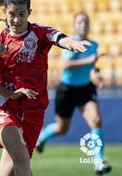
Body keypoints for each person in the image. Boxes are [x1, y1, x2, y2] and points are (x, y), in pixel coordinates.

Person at [0, 0, 91, 176]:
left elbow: (57, 37)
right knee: (20, 155)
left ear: (30, 12)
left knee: (6, 172)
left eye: (22, 14)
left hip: (33, 111)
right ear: (5, 12)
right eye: (12, 14)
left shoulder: (39, 34)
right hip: (4, 108)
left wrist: (70, 42)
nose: (17, 20)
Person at [36, 12, 112, 175]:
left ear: (89, 25)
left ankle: (98, 162)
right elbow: (66, 64)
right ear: (75, 25)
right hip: (67, 90)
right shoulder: (71, 43)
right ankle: (42, 138)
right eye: (80, 22)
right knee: (62, 129)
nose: (83, 25)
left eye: (85, 22)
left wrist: (97, 76)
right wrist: (89, 60)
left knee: (96, 120)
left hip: (85, 88)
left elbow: (94, 65)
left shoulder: (94, 45)